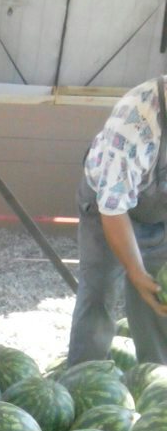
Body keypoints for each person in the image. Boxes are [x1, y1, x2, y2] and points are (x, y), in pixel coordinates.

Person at [66, 75, 167, 367]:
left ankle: (157, 385)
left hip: (158, 210)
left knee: (158, 299)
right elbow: (113, 208)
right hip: (106, 208)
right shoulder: (136, 122)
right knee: (99, 294)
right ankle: (84, 378)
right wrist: (134, 270)